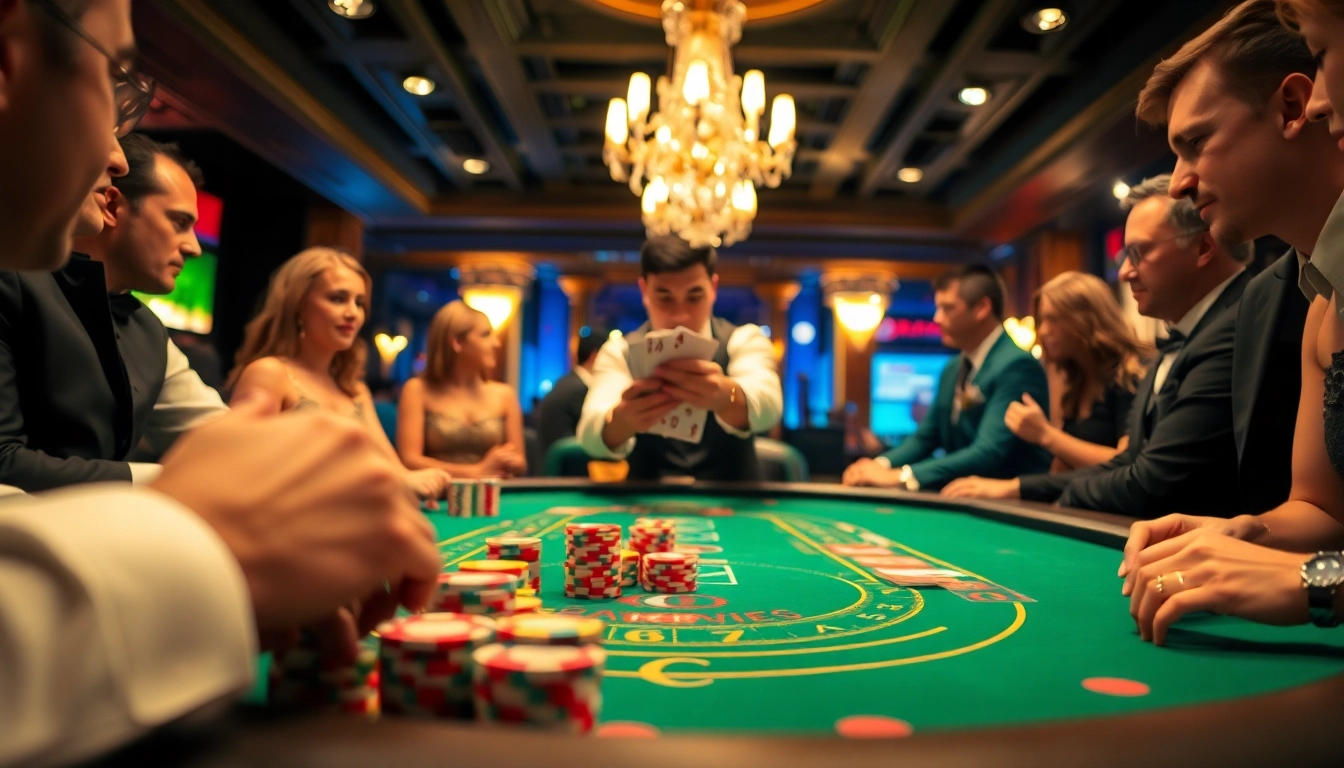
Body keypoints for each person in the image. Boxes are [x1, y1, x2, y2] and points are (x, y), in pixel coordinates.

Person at [0, 1, 442, 764]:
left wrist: (274, 490)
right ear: (8, 58)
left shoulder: (144, 328)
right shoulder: (20, 282)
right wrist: (193, 526)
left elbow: (227, 442)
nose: (115, 160)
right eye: (110, 77)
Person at [1121, 0, 1344, 645]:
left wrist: (1316, 581)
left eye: (1196, 143)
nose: (1177, 186)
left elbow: (1324, 560)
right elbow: (1322, 509)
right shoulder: (1321, 302)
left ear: (1291, 107)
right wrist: (1245, 532)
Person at [945, 179, 1253, 515]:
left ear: (1204, 248)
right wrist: (1023, 489)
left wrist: (1052, 493)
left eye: (1139, 253)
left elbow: (1151, 479)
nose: (1124, 273)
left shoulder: (1239, 326)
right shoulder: (1171, 346)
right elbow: (1130, 464)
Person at [0, 132, 229, 492]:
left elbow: (220, 435)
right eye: (179, 222)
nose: (194, 247)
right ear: (111, 206)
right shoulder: (13, 280)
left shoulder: (148, 328)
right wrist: (159, 480)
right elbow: (4, 460)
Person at [227, 248, 453, 498]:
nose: (352, 313)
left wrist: (429, 478)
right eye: (337, 299)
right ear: (298, 305)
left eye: (359, 303)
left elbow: (395, 471)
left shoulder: (354, 388)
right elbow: (239, 466)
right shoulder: (270, 373)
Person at [576, 236, 782, 481]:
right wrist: (622, 421)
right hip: (646, 500)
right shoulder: (619, 351)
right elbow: (589, 436)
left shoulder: (744, 339)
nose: (680, 316)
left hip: (734, 496)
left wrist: (726, 397)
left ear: (713, 288)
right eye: (665, 298)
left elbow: (769, 407)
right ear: (644, 291)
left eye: (694, 297)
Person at [843, 265, 1051, 491]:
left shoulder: (1017, 365)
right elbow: (926, 438)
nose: (937, 318)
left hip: (1011, 505)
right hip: (964, 497)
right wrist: (878, 465)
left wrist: (901, 477)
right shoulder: (952, 368)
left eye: (948, 308)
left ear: (982, 308)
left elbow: (988, 452)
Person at [963, 271, 1148, 477]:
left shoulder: (1130, 373)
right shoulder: (1075, 377)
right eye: (1041, 321)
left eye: (1054, 319)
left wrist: (1046, 435)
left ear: (1087, 319)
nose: (1043, 331)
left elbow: (1129, 464)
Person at [395, 301, 526, 478]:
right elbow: (409, 461)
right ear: (457, 342)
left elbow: (520, 462)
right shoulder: (417, 390)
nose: (496, 343)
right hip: (438, 492)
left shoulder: (505, 395)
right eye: (486, 335)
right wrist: (475, 472)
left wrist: (509, 461)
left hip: (492, 493)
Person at [536, 325, 608, 457]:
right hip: (566, 467)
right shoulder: (580, 390)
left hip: (549, 463)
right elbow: (594, 440)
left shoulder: (566, 382)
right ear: (595, 356)